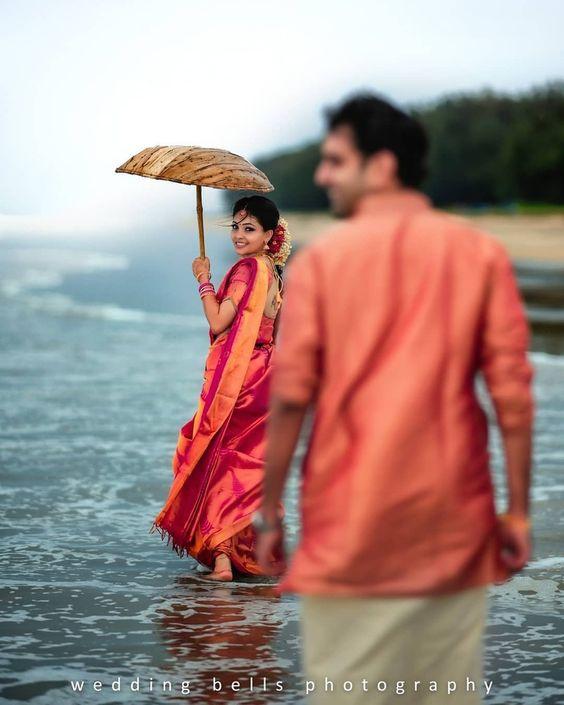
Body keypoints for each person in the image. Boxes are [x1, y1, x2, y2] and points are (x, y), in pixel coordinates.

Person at [257, 94, 534, 703]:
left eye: (335, 160)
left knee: (347, 689)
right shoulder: (478, 253)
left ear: (381, 165)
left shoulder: (325, 261)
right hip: (451, 524)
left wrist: (270, 511)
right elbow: (512, 395)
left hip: (351, 522)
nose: (323, 175)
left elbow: (291, 398)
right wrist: (515, 513)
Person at [151, 195, 291, 581]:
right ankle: (230, 555)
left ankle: (224, 559)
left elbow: (218, 320)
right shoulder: (273, 272)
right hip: (267, 376)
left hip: (242, 379)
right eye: (235, 226)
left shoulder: (247, 271)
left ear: (268, 235)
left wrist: (203, 280)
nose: (239, 235)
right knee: (242, 467)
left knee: (213, 459)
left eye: (249, 229)